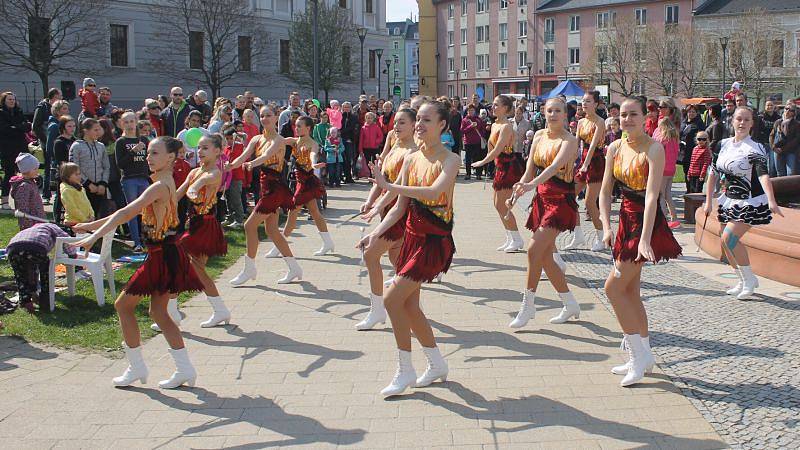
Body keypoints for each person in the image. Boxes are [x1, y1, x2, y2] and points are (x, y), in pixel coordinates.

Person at [72, 136, 204, 389]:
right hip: (166, 254)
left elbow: (125, 213)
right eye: (148, 153)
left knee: (124, 306)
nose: (148, 157)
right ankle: (182, 369)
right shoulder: (164, 182)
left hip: (162, 256)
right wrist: (90, 226)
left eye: (155, 153)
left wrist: (93, 235)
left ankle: (138, 367)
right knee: (158, 313)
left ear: (170, 158)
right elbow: (126, 212)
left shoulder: (158, 186)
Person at [358, 100, 459, 396]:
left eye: (427, 120)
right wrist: (375, 233)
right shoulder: (412, 158)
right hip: (412, 238)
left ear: (441, 125)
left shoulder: (449, 159)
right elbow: (399, 208)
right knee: (410, 305)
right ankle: (437, 363)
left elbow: (433, 192)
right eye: (419, 120)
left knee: (392, 300)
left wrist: (389, 187)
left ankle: (406, 371)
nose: (420, 125)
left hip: (433, 241)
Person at [599, 97, 682, 387]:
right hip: (624, 220)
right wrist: (605, 226)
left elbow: (651, 196)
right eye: (623, 115)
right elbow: (606, 190)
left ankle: (637, 355)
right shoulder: (614, 147)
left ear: (644, 116)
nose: (627, 119)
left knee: (612, 288)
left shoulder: (654, 148)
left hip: (644, 223)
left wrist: (645, 238)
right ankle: (644, 354)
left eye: (633, 114)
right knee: (630, 291)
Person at [507, 97, 581, 328]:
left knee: (533, 249)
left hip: (560, 202)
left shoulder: (570, 140)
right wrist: (519, 189)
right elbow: (530, 169)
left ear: (565, 114)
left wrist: (530, 185)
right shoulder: (538, 136)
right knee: (546, 257)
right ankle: (569, 303)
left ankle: (528, 304)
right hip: (542, 199)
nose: (553, 114)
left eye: (557, 110)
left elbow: (553, 168)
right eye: (549, 110)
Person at [704, 106, 783, 300]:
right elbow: (712, 173)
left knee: (729, 238)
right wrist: (707, 202)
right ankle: (741, 279)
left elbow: (764, 175)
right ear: (732, 121)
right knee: (725, 243)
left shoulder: (755, 148)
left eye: (747, 120)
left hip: (750, 200)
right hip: (728, 199)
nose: (742, 123)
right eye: (739, 119)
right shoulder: (722, 144)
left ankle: (749, 279)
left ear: (752, 123)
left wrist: (771, 200)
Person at [356, 108, 418, 331]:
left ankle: (377, 310)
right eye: (396, 122)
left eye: (402, 123)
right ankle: (410, 313)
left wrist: (380, 204)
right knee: (399, 263)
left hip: (402, 211)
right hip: (387, 208)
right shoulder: (394, 143)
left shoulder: (413, 151)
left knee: (371, 254)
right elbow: (381, 178)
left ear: (414, 125)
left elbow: (397, 190)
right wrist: (371, 200)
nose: (396, 126)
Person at [229, 105, 301, 286]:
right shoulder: (256, 138)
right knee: (271, 230)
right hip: (265, 186)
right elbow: (242, 157)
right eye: (261, 116)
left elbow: (266, 156)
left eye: (268, 115)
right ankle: (294, 268)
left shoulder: (279, 139)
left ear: (276, 117)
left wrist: (252, 164)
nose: (264, 118)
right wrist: (229, 166)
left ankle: (249, 268)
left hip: (275, 188)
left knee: (249, 225)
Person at [174, 134, 231, 328]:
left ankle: (174, 311)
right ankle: (218, 310)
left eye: (205, 148)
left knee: (191, 265)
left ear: (217, 151)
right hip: (196, 224)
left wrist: (193, 191)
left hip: (206, 225)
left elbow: (196, 187)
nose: (200, 152)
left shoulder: (214, 173)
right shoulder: (193, 171)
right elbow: (178, 193)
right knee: (190, 267)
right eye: (199, 148)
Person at [472, 95, 526, 253]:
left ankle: (517, 239)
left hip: (509, 167)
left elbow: (498, 149)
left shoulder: (507, 126)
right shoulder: (495, 124)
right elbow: (491, 146)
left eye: (496, 105)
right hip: (500, 166)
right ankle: (510, 237)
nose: (493, 107)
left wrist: (482, 162)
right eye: (493, 105)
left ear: (505, 108)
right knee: (497, 205)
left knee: (504, 205)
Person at [276, 117, 333, 257]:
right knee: (314, 212)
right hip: (300, 182)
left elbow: (313, 155)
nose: (297, 128)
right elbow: (277, 141)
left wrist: (313, 164)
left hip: (306, 183)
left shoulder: (313, 144)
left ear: (308, 128)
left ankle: (280, 246)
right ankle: (328, 242)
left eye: (300, 126)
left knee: (293, 212)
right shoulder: (294, 141)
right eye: (296, 126)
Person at [565, 91, 607, 251]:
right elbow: (576, 145)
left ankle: (601, 237)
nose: (584, 103)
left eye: (588, 101)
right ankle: (578, 235)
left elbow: (595, 144)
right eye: (583, 101)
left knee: (590, 203)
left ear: (596, 104)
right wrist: (569, 163)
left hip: (595, 162)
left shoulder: (600, 121)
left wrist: (585, 164)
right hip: (583, 161)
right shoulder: (581, 122)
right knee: (569, 197)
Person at [8, 223, 77, 313]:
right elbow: (66, 239)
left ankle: (26, 300)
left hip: (13, 249)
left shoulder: (30, 229)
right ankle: (44, 300)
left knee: (20, 275)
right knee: (45, 273)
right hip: (36, 247)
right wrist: (72, 254)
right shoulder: (52, 226)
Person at [115, 112, 150, 251]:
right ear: (122, 124)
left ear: (136, 122)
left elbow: (149, 160)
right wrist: (133, 151)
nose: (129, 124)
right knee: (133, 211)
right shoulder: (121, 142)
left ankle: (147, 237)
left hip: (144, 178)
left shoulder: (143, 140)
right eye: (126, 122)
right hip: (129, 179)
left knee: (147, 209)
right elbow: (120, 164)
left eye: (132, 121)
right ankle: (136, 242)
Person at [69, 119, 111, 218]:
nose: (98, 132)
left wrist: (103, 183)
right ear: (85, 130)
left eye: (99, 129)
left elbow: (106, 166)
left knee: (99, 216)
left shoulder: (101, 146)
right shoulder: (77, 146)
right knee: (85, 217)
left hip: (100, 188)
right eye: (95, 130)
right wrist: (87, 183)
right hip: (84, 188)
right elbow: (74, 167)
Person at [653, 99, 681, 228]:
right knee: (668, 194)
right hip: (671, 168)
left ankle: (663, 221)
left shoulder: (663, 137)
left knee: (661, 195)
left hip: (663, 168)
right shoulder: (674, 135)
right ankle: (674, 218)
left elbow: (656, 149)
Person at [0, 92, 31, 208]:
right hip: (7, 148)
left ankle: (22, 200)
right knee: (9, 173)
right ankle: (4, 201)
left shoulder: (19, 111)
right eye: (9, 99)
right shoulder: (2, 113)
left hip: (21, 147)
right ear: (4, 101)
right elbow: (4, 129)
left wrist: (16, 127)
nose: (12, 101)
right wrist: (19, 127)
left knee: (23, 174)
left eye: (13, 99)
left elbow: (27, 126)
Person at [43, 99, 70, 204]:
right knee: (59, 194)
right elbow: (49, 147)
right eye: (64, 109)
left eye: (68, 108)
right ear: (57, 111)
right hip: (57, 162)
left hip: (65, 160)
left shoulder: (65, 124)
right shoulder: (54, 126)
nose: (67, 111)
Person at [52, 116, 77, 223]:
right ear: (63, 127)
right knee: (61, 200)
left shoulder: (75, 141)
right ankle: (58, 221)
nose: (72, 128)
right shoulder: (59, 142)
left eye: (74, 126)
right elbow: (60, 161)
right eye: (69, 126)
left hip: (75, 174)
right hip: (64, 175)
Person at [10, 153, 45, 230]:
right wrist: (29, 225)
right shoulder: (24, 186)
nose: (37, 171)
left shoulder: (31, 182)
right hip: (30, 225)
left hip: (38, 222)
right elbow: (22, 208)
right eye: (35, 169)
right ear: (26, 170)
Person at [222, 124, 246, 227]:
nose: (229, 140)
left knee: (236, 199)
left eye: (231, 138)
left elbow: (245, 137)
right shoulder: (226, 148)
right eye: (227, 138)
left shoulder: (239, 146)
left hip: (236, 177)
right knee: (228, 199)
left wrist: (238, 136)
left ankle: (239, 219)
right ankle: (230, 217)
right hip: (227, 178)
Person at [680, 105, 705, 192]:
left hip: (694, 152)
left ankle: (695, 192)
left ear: (696, 113)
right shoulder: (683, 123)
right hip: (684, 152)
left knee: (695, 174)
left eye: (693, 112)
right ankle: (688, 190)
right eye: (690, 111)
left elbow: (702, 137)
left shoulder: (699, 124)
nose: (691, 113)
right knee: (686, 172)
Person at [771, 104, 799, 177]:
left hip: (791, 152)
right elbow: (772, 135)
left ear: (794, 113)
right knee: (780, 173)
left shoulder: (797, 124)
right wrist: (773, 147)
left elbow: (796, 140)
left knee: (791, 173)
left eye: (791, 110)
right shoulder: (778, 122)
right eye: (786, 109)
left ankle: (791, 189)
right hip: (777, 151)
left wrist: (783, 149)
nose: (788, 111)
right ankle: (780, 189)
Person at [460, 104, 486, 180]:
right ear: (467, 111)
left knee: (478, 158)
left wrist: (481, 136)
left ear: (475, 111)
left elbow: (482, 130)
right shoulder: (465, 120)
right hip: (468, 142)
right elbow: (462, 131)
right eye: (470, 110)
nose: (471, 112)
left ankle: (478, 174)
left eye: (472, 110)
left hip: (477, 142)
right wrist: (470, 126)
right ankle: (468, 174)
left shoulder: (478, 119)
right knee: (468, 159)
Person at [758, 100, 781, 176]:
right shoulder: (761, 117)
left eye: (771, 105)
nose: (769, 107)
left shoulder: (778, 117)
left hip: (774, 144)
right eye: (768, 105)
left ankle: (772, 180)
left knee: (772, 165)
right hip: (763, 143)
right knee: (765, 164)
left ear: (774, 106)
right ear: (765, 107)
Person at [339, 102, 358, 183]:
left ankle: (348, 176)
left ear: (350, 108)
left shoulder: (354, 117)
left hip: (349, 140)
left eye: (348, 107)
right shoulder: (339, 116)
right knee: (342, 159)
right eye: (345, 107)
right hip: (340, 140)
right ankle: (341, 176)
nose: (346, 108)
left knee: (349, 159)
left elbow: (352, 128)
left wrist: (341, 132)